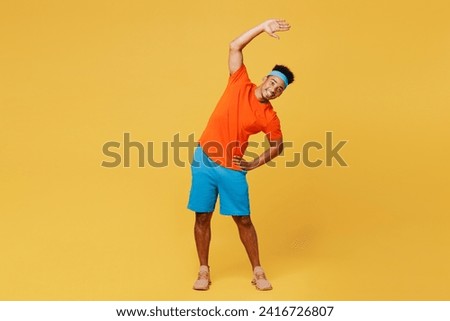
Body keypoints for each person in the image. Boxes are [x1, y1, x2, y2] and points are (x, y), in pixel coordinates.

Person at [187, 19, 295, 291]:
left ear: (280, 94)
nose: (274, 89)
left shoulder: (269, 116)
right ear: (265, 79)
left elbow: (278, 145)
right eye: (273, 82)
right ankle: (203, 270)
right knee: (202, 216)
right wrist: (262, 27)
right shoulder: (239, 82)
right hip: (203, 160)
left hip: (232, 169)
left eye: (279, 89)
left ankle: (258, 271)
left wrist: (254, 163)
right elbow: (234, 46)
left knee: (243, 220)